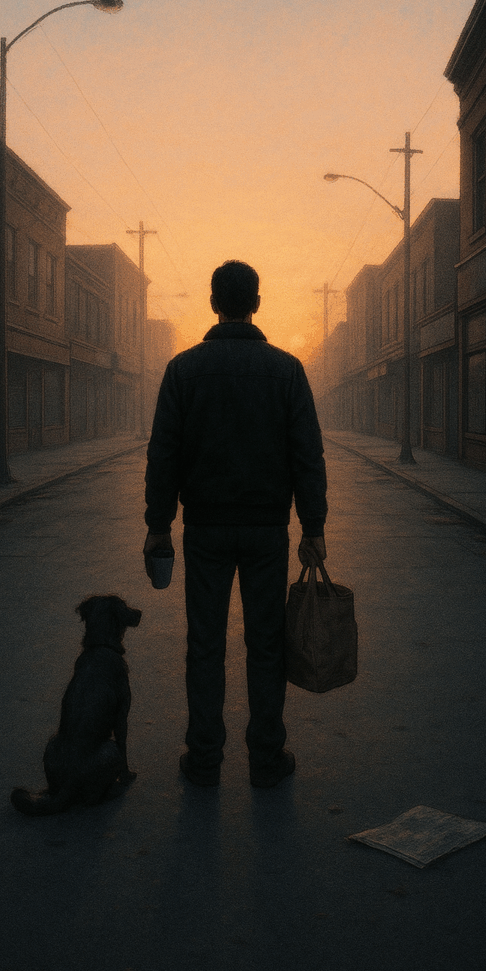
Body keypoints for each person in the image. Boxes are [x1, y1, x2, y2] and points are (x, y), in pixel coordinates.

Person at [143, 260, 327, 788]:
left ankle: (204, 759)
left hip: (204, 531)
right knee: (266, 644)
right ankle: (266, 758)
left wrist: (159, 524)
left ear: (213, 303)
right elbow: (306, 454)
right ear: (257, 303)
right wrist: (312, 527)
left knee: (205, 643)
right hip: (268, 531)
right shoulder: (287, 371)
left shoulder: (183, 370)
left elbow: (164, 455)